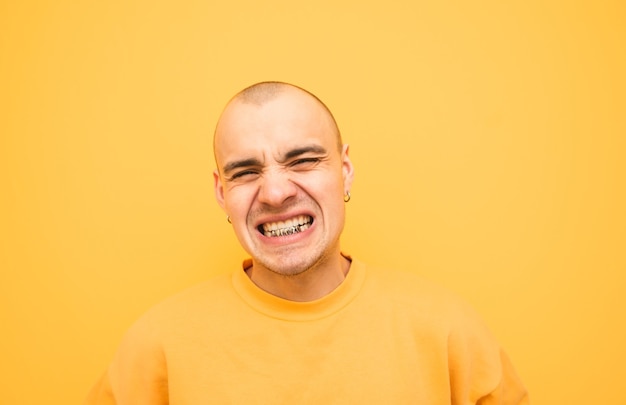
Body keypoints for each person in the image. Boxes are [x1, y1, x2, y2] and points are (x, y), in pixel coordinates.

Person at [84, 81, 529, 404]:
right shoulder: (155, 347)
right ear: (222, 193)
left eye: (303, 160)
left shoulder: (450, 332)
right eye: (245, 172)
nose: (276, 193)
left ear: (345, 170)